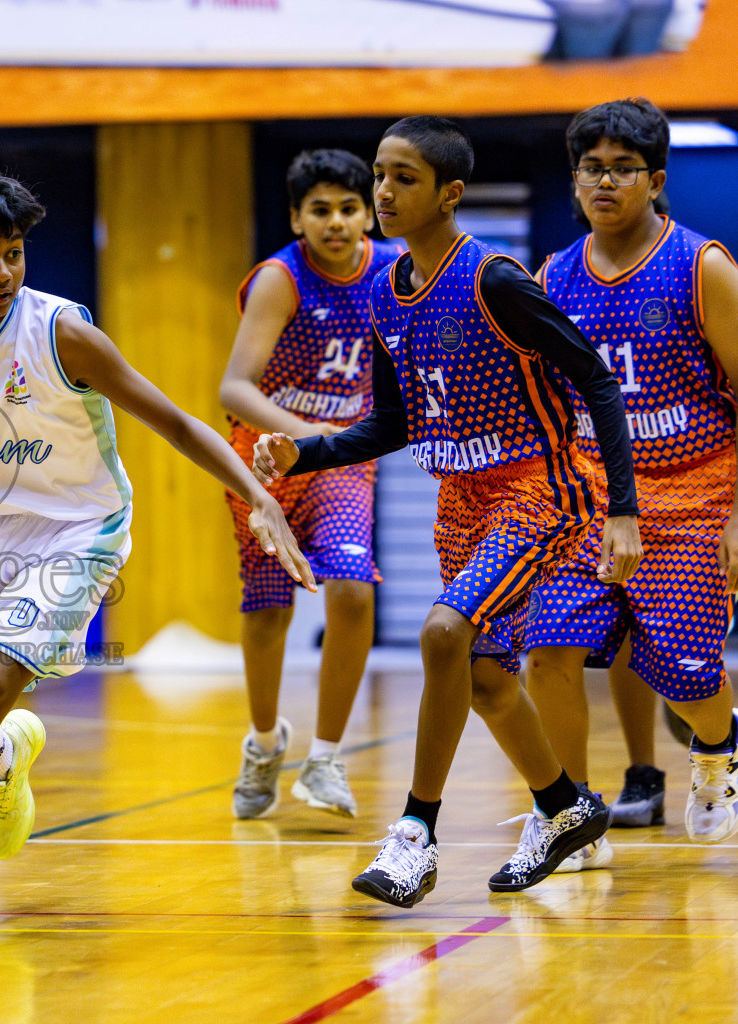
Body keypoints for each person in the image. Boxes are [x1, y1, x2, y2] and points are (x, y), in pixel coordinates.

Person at [0, 164, 314, 933]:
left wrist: (258, 496)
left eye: (14, 252)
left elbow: (178, 422)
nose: (2, 272)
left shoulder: (62, 333)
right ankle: (5, 759)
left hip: (78, 530)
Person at [254, 116, 640, 908]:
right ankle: (565, 806)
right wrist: (310, 451)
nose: (382, 193)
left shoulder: (495, 279)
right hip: (459, 503)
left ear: (449, 194)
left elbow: (597, 381)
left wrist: (622, 513)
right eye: (379, 176)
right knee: (487, 679)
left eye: (402, 178)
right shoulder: (385, 294)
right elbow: (392, 424)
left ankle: (415, 835)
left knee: (441, 632)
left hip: (538, 492)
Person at [514, 99, 738, 860]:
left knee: (685, 677)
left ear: (656, 180)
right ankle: (572, 816)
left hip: (694, 494)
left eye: (622, 168)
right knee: (546, 650)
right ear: (574, 179)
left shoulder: (701, 266)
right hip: (589, 498)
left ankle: (717, 753)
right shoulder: (552, 276)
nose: (604, 181)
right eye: (591, 168)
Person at [219, 149, 401, 820]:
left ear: (368, 216)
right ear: (297, 219)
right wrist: (300, 434)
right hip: (263, 452)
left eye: (348, 208)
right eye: (319, 210)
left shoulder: (392, 269)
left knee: (352, 589)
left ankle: (325, 759)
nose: (335, 221)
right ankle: (265, 743)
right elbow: (233, 387)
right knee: (268, 608)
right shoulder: (280, 278)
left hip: (339, 455)